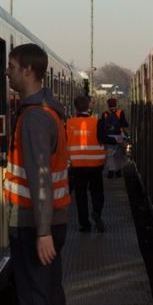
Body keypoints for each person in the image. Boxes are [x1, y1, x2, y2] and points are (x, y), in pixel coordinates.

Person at [1, 43, 76, 305]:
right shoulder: (50, 111)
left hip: (34, 226)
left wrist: (42, 232)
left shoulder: (32, 118)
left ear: (29, 71)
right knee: (54, 303)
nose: (8, 72)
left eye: (12, 67)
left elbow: (40, 178)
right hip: (49, 222)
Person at [64, 92, 106, 233]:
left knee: (80, 196)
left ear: (76, 108)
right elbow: (104, 139)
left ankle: (84, 224)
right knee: (97, 192)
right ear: (89, 107)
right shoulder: (97, 122)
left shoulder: (69, 124)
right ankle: (96, 211)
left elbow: (64, 143)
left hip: (77, 166)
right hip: (96, 166)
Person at [98, 96, 129, 179]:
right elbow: (124, 124)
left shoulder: (104, 114)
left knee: (109, 155)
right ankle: (118, 172)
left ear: (108, 105)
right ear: (115, 104)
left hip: (108, 138)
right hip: (119, 137)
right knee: (118, 155)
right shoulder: (120, 112)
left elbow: (102, 126)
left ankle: (110, 172)